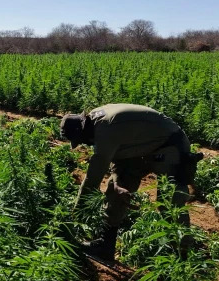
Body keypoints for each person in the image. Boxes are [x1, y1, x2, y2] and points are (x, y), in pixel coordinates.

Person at [60, 103, 202, 260]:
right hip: (142, 146)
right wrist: (118, 183)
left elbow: (93, 177)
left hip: (169, 145)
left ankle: (183, 258)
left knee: (170, 201)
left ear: (83, 133)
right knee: (116, 187)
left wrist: (75, 214)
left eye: (83, 141)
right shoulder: (95, 120)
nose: (87, 144)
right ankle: (106, 246)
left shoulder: (105, 129)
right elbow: (119, 155)